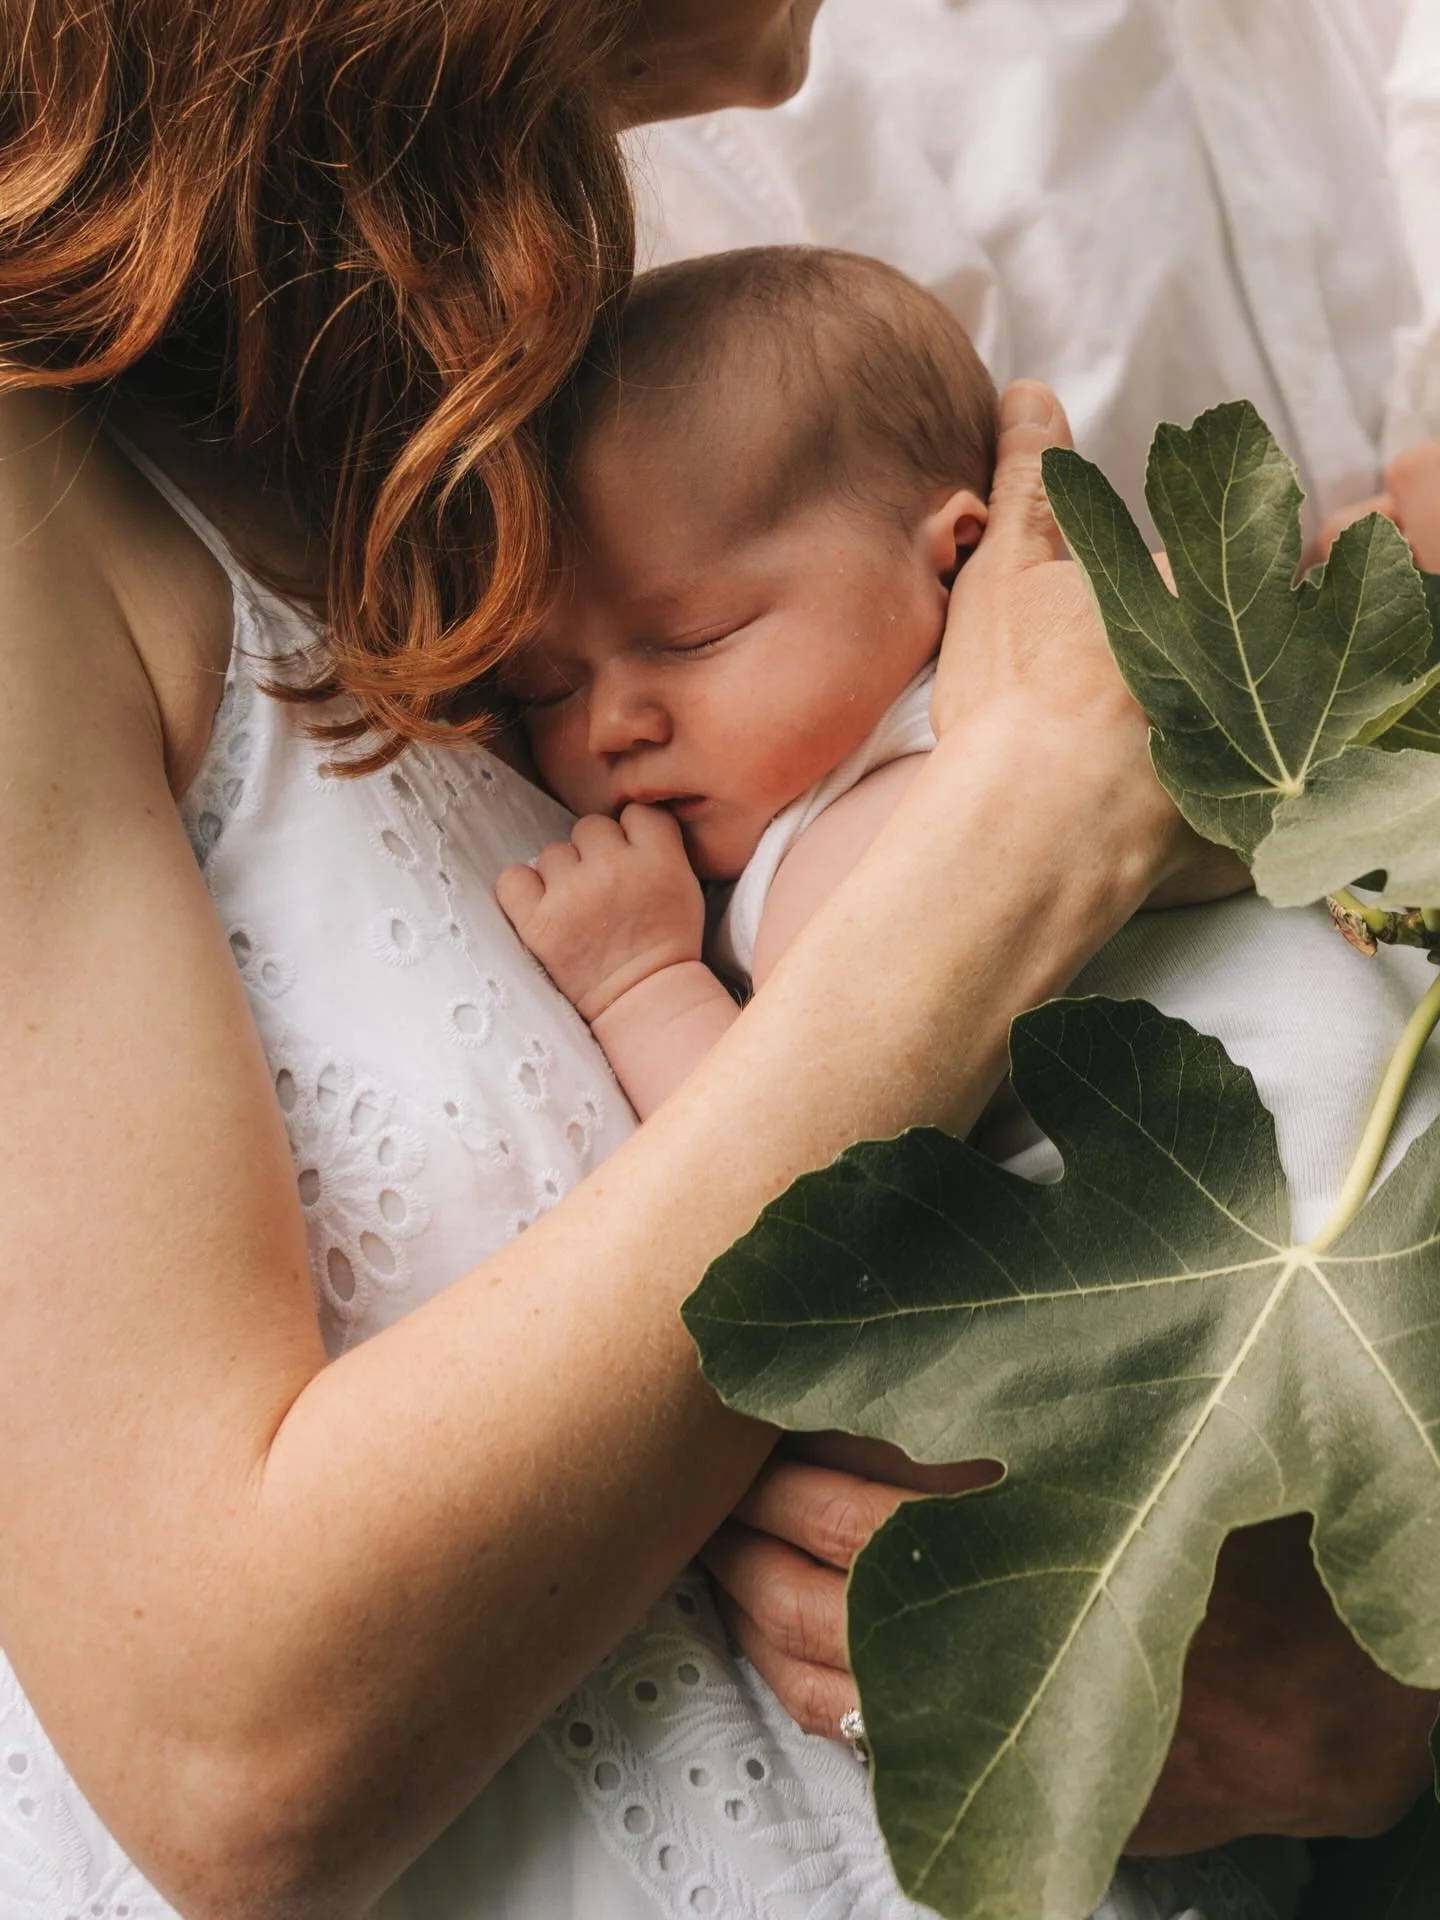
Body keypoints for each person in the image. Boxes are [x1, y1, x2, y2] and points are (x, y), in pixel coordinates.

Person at [0, 12, 1433, 1920]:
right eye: (557, 687)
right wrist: (1021, 837)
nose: (605, 727)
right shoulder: (49, 505)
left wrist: (1378, 1648)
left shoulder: (542, 359)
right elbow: (227, 1756)